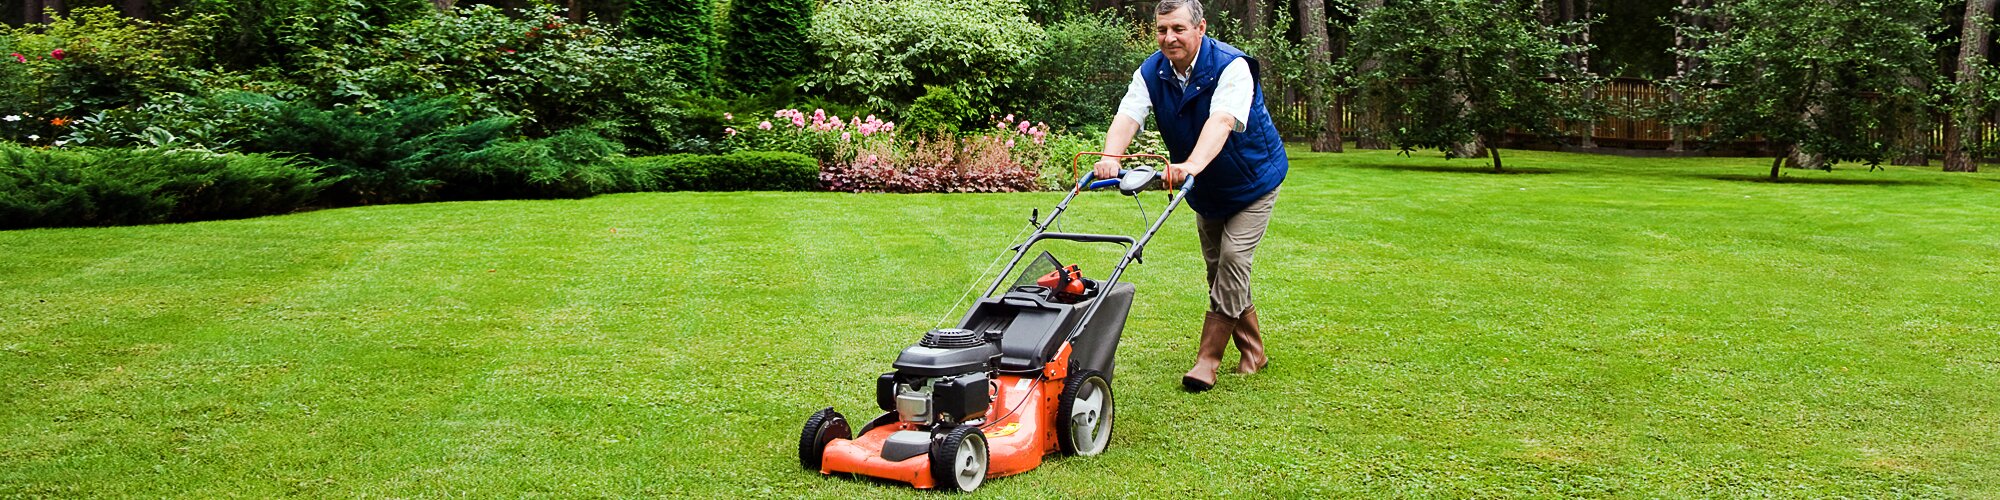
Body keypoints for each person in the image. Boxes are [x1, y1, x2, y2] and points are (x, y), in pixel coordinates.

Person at [1092, 0, 1287, 392]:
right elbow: (1129, 114)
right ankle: (1254, 352)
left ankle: (1207, 360)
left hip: (1253, 181)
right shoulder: (1152, 71)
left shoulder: (1232, 66)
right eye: (1162, 29)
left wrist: (1192, 164)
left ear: (1201, 28)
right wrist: (1111, 156)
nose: (1169, 38)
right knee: (1220, 270)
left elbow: (1222, 120)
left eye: (1178, 29)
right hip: (1205, 186)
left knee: (1233, 259)